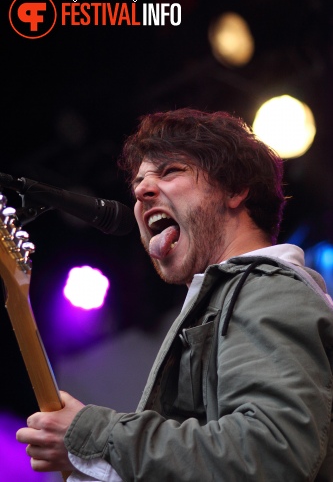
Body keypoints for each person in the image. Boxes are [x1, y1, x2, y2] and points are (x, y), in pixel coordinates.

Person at [17, 109, 333, 481]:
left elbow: (268, 455)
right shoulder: (234, 301)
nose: (140, 191)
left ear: (234, 189)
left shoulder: (267, 288)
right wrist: (99, 463)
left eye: (170, 171)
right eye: (138, 181)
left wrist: (96, 433)